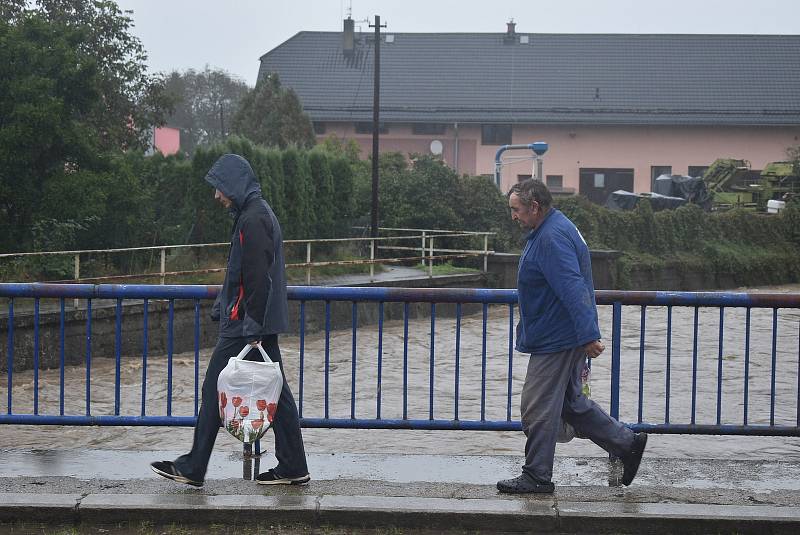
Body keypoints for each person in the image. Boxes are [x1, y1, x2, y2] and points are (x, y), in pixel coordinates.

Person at [151, 154, 309, 487]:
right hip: (251, 322)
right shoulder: (252, 215)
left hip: (248, 326)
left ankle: (193, 468)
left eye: (219, 187)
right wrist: (225, 305)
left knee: (214, 388)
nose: (217, 195)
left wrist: (250, 326)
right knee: (277, 393)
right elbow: (246, 274)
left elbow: (257, 279)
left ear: (234, 185)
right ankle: (294, 466)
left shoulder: (253, 220)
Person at [497, 179, 647, 494]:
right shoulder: (553, 228)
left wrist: (589, 334)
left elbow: (572, 286)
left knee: (536, 407)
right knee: (569, 405)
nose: (513, 216)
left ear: (534, 206)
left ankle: (537, 475)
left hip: (557, 338)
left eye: (516, 210)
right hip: (560, 334)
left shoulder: (551, 237)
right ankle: (627, 443)